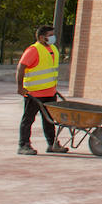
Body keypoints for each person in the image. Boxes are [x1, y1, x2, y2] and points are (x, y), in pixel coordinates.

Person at [16, 24, 65, 155]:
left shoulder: (53, 48)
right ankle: (23, 145)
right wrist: (20, 87)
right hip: (34, 93)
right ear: (42, 37)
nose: (53, 37)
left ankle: (52, 144)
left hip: (50, 93)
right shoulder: (33, 50)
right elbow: (21, 68)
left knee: (49, 120)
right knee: (28, 119)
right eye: (50, 35)